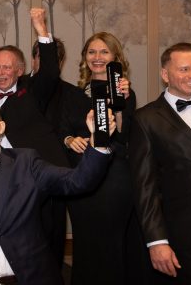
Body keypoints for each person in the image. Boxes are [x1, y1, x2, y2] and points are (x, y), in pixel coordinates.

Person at [0, 97, 113, 285]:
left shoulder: (27, 162)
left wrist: (99, 140)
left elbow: (78, 181)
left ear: (1, 127)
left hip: (33, 277)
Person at [129, 43, 191, 284]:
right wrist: (157, 241)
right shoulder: (146, 119)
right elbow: (145, 187)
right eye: (184, 69)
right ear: (165, 74)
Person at [0, 8, 68, 265]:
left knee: (46, 243)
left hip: (38, 179)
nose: (0, 72)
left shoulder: (33, 91)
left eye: (7, 67)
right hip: (0, 182)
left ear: (20, 70)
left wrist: (41, 30)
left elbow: (49, 72)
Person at [59, 32, 148, 285]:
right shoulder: (72, 94)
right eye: (92, 52)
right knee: (85, 242)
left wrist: (119, 102)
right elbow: (62, 129)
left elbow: (122, 135)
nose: (97, 57)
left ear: (115, 58)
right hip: (81, 179)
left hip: (114, 179)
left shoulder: (125, 93)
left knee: (111, 244)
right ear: (85, 58)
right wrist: (69, 140)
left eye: (104, 52)